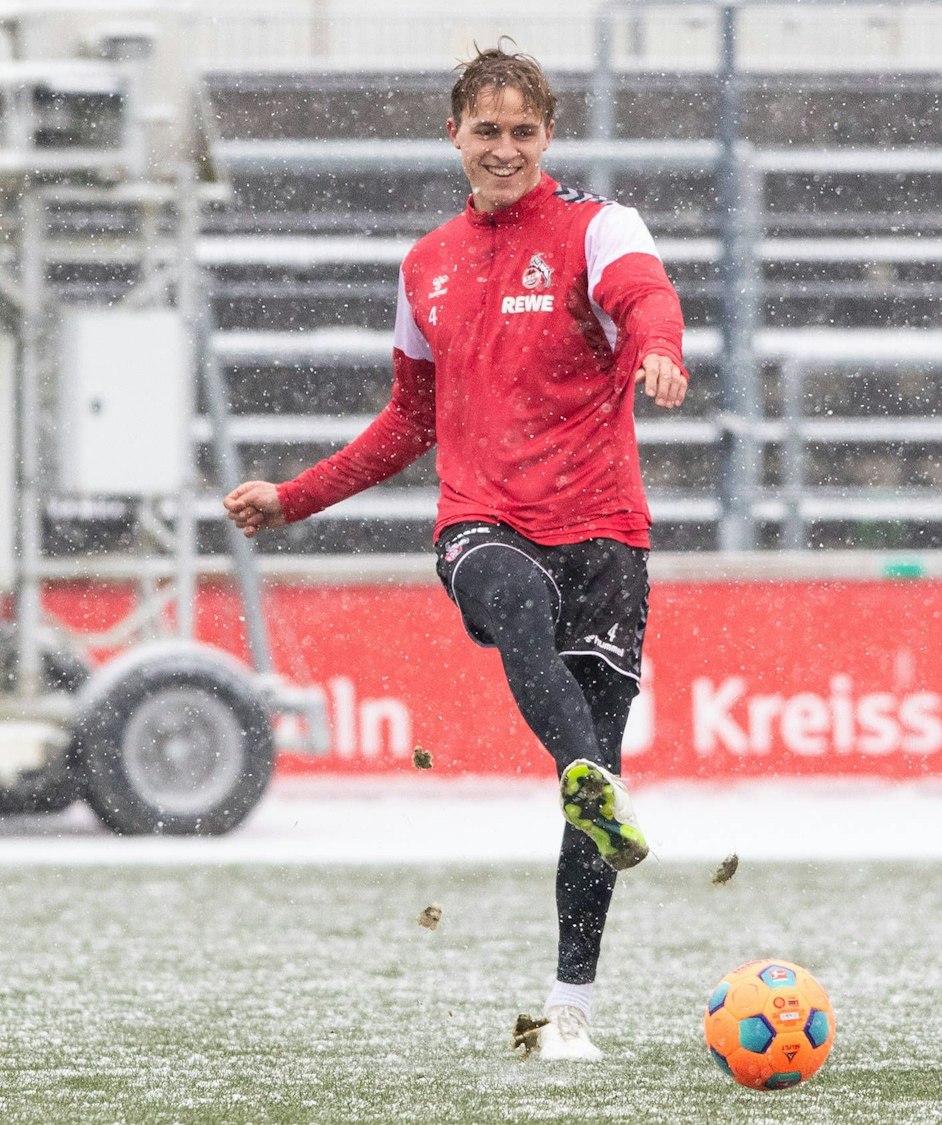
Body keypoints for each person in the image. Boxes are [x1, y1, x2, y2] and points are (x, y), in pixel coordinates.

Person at [223, 44, 687, 1062]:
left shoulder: (598, 229)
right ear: (455, 137)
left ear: (548, 135)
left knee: (591, 804)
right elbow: (407, 421)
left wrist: (659, 347)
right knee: (509, 593)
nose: (506, 148)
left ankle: (570, 1012)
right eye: (488, 130)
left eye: (524, 130)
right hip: (483, 518)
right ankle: (584, 775)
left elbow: (646, 297)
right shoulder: (424, 264)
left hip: (605, 536)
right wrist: (295, 499)